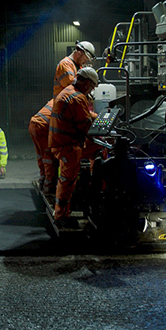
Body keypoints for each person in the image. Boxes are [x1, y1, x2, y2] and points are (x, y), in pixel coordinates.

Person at [48, 67, 102, 226]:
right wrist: (105, 134)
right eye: (92, 86)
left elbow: (82, 114)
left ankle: (94, 185)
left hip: (61, 142)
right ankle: (61, 216)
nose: (91, 90)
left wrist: (98, 117)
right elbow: (86, 127)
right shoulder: (78, 98)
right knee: (67, 180)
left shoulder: (68, 91)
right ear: (85, 82)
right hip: (69, 145)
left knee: (95, 151)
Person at [28, 99, 56, 191]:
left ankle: (43, 178)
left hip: (34, 124)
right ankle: (48, 185)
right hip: (42, 127)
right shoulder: (72, 101)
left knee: (40, 155)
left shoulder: (57, 99)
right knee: (48, 157)